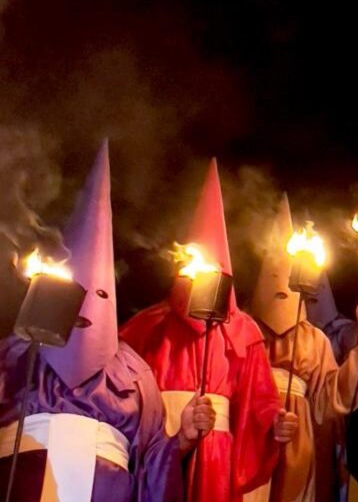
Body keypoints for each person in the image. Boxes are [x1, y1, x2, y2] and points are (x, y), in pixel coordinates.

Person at [0, 143, 196, 501]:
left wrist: (180, 440)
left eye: (100, 295)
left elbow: (151, 460)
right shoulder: (16, 352)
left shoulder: (134, 373)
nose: (87, 307)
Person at [120, 159, 298, 502]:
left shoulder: (242, 330)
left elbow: (259, 396)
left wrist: (275, 422)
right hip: (159, 443)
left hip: (215, 455)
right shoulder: (148, 324)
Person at [247, 195, 358, 502]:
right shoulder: (245, 330)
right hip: (252, 434)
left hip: (301, 441)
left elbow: (330, 397)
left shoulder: (315, 339)